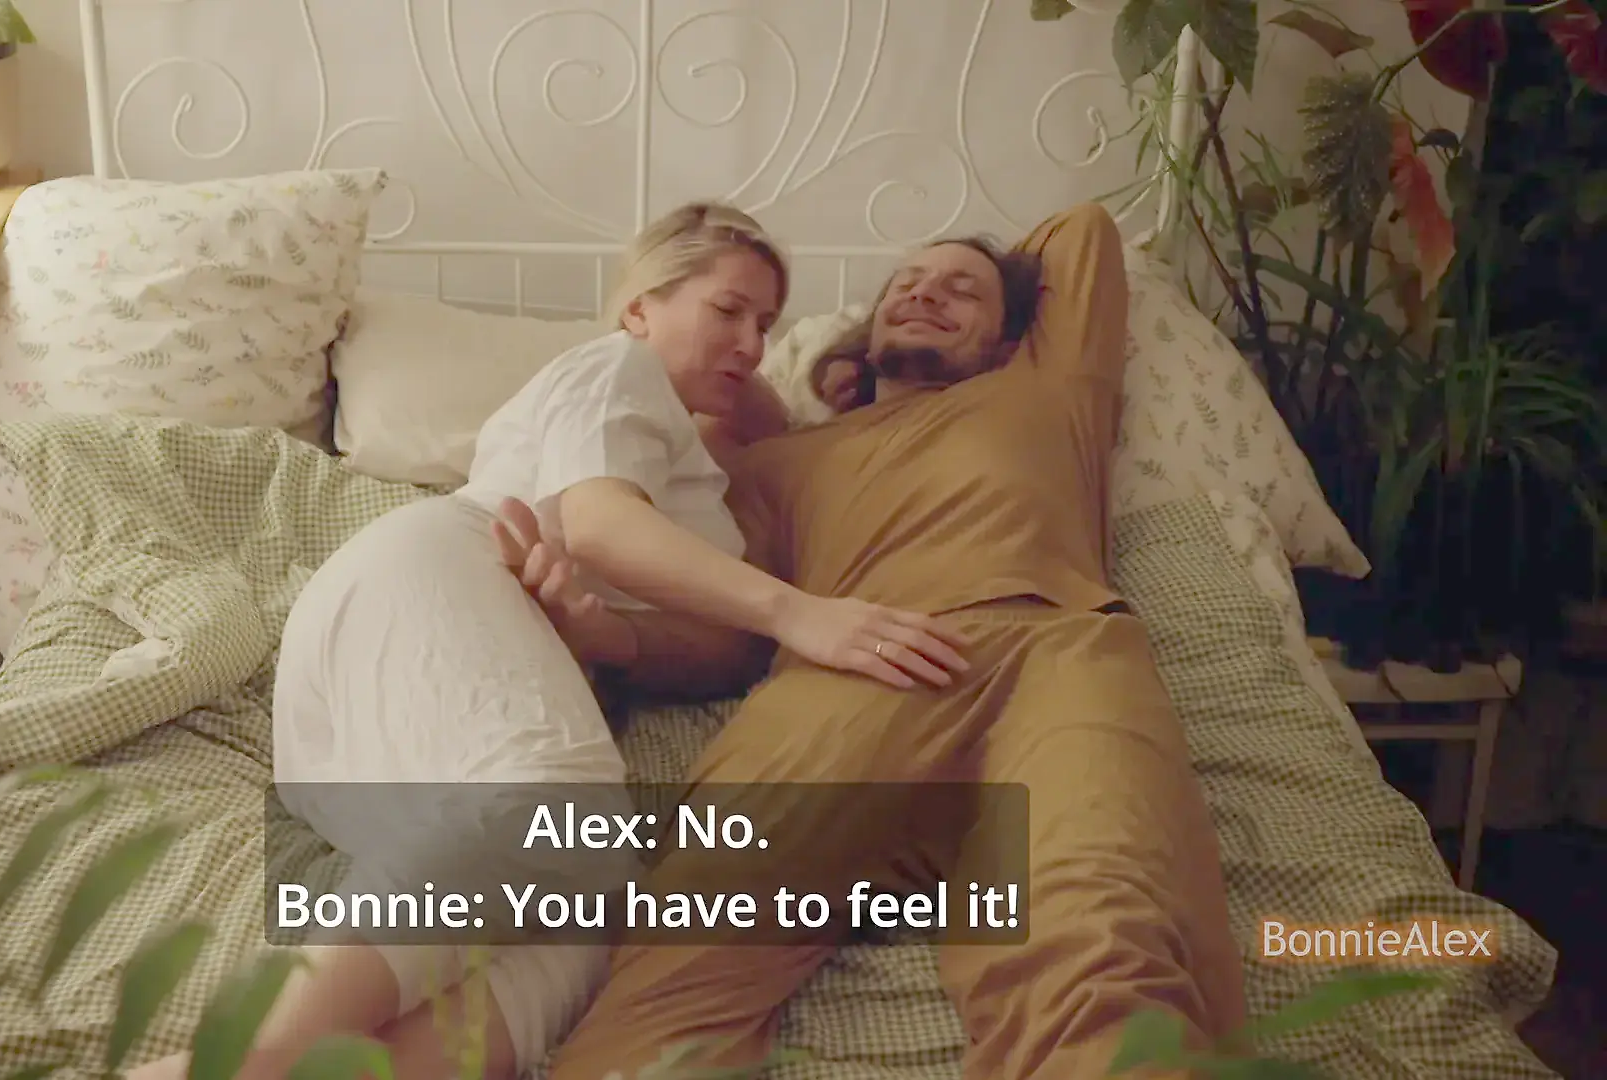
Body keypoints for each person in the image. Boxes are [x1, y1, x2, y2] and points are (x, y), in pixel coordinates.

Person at [122, 201, 975, 1080]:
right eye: (728, 310)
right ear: (638, 307)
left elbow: (715, 645)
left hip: (398, 724)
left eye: (768, 325)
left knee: (581, 939)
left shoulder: (697, 467)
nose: (754, 344)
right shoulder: (618, 369)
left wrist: (604, 633)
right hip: (441, 573)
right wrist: (800, 613)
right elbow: (600, 526)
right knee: (563, 818)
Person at [500, 203, 1249, 1080]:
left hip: (1055, 650)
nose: (925, 293)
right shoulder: (779, 464)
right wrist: (611, 635)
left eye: (961, 291)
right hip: (848, 666)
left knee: (1107, 936)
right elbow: (727, 637)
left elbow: (1082, 232)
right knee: (685, 954)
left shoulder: (1049, 386)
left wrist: (977, 286)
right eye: (906, 284)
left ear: (1012, 333)